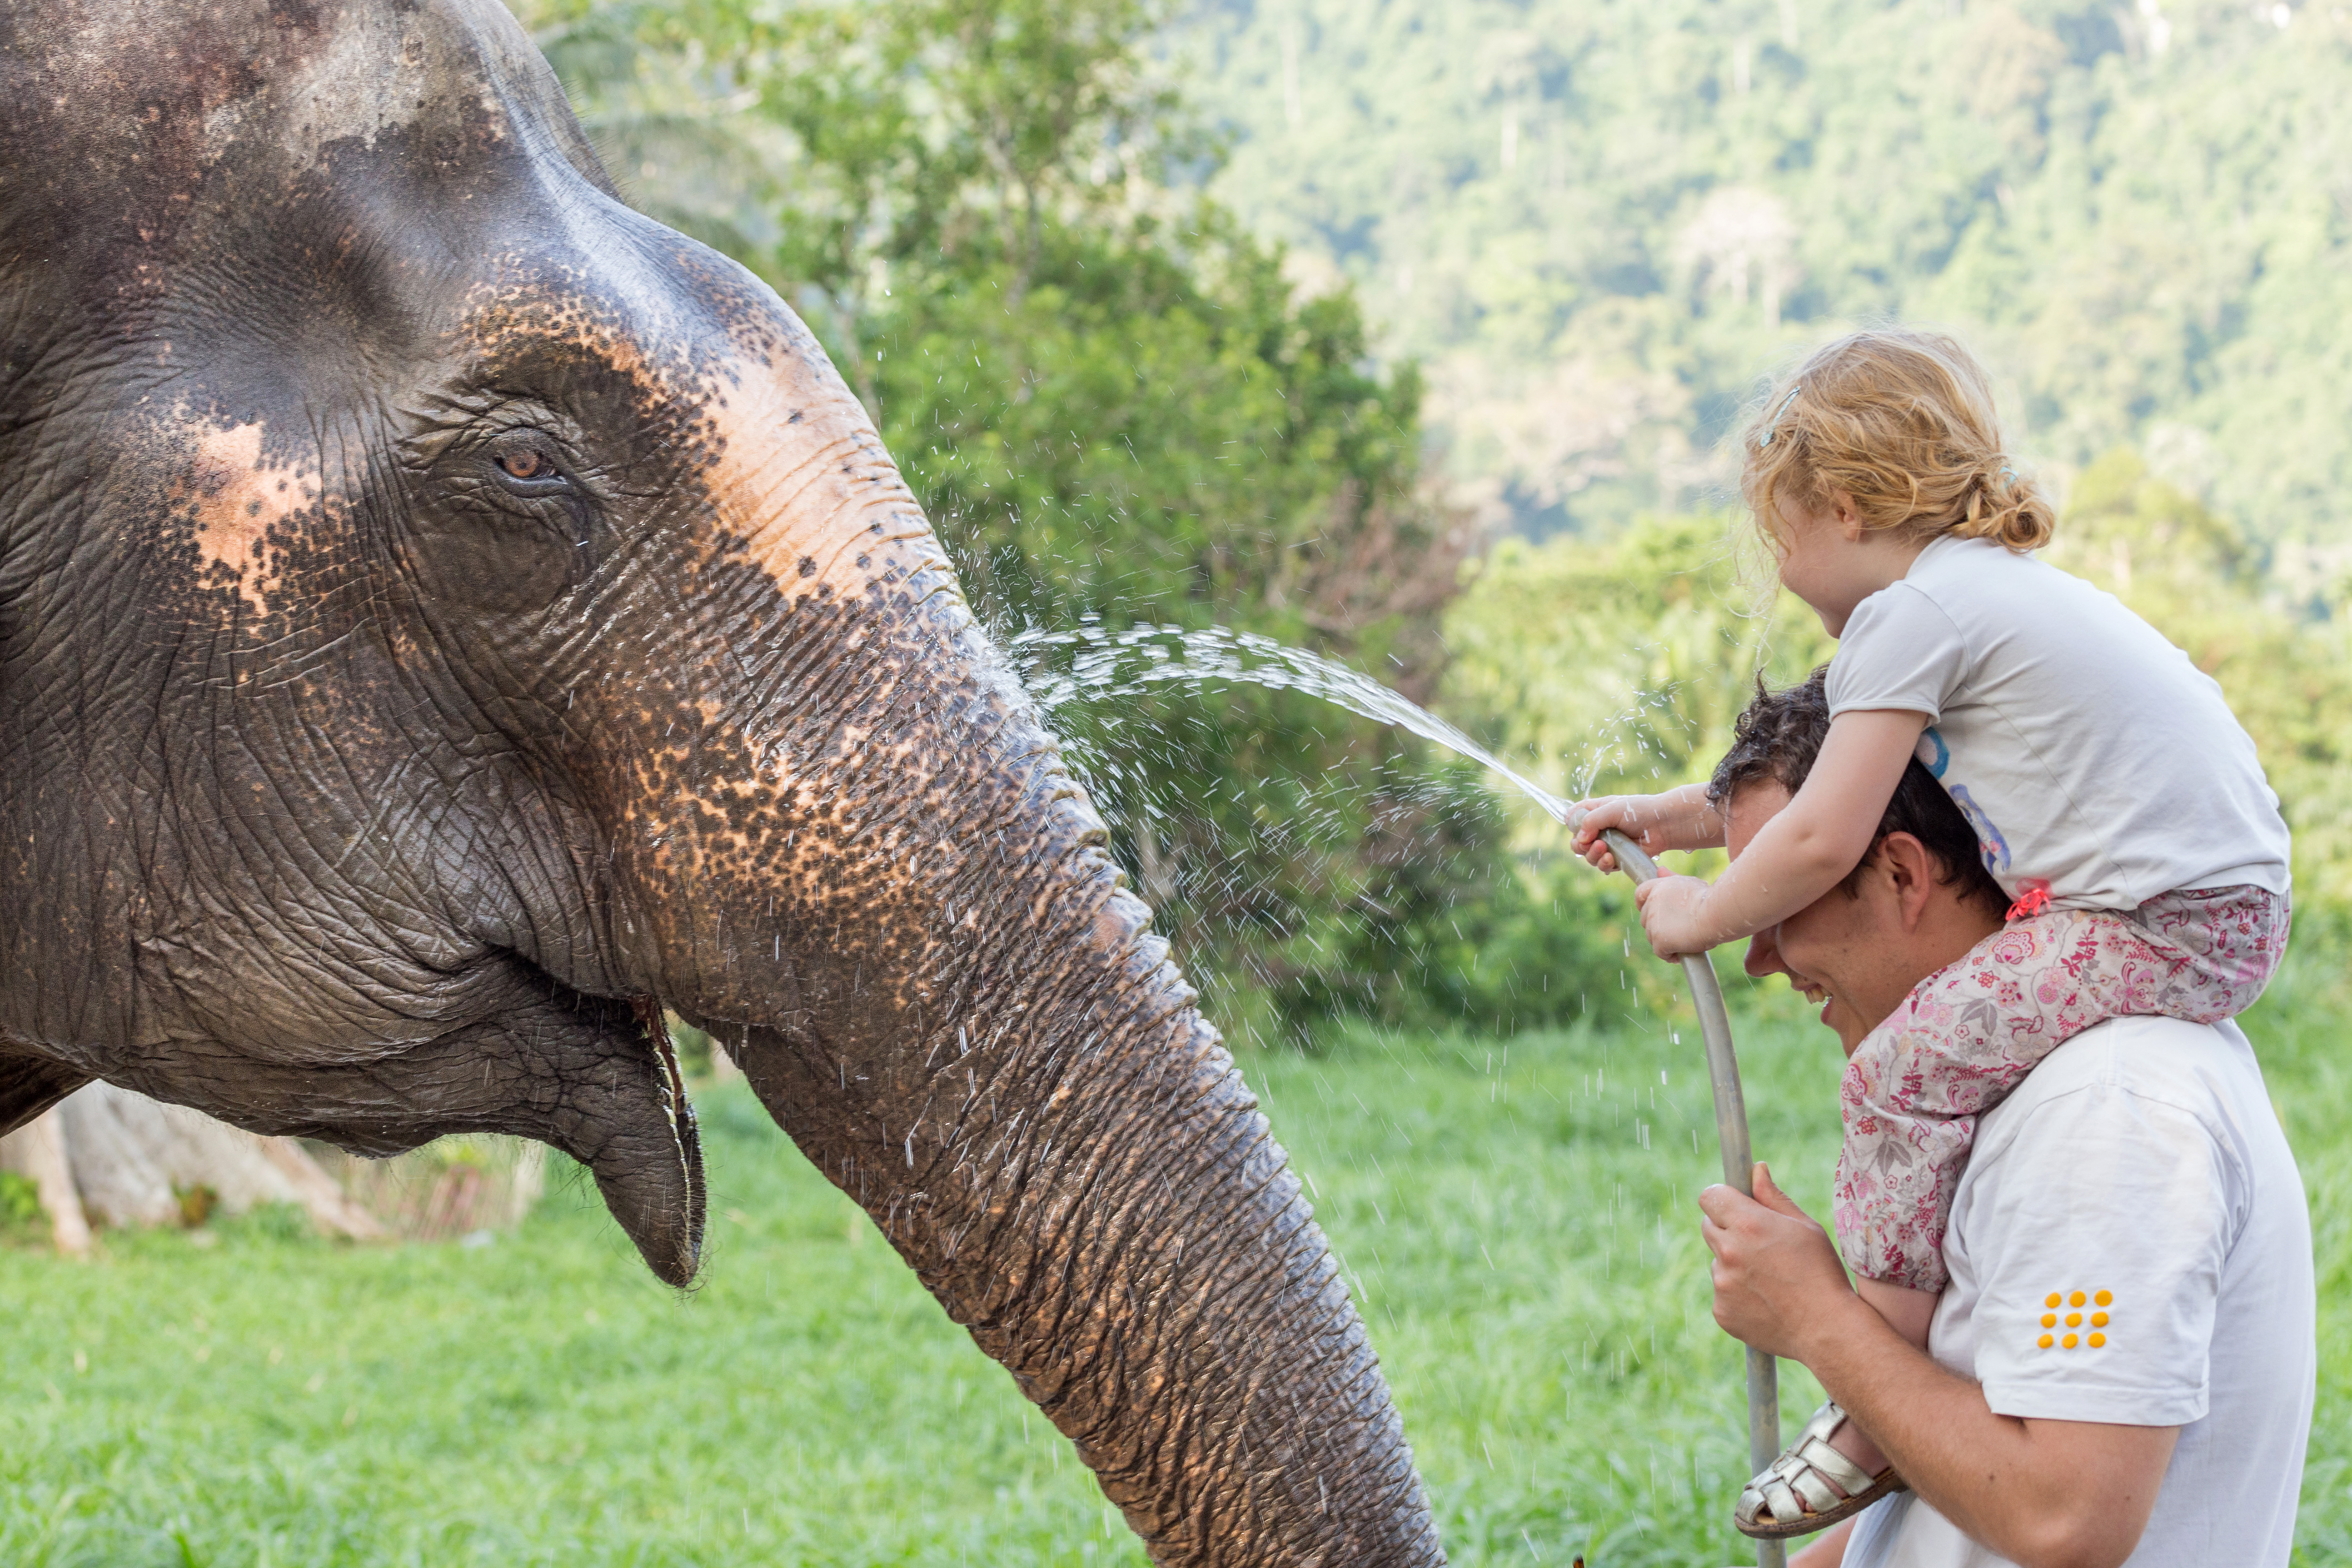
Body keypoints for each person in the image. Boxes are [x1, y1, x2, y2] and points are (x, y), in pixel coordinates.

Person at [1569, 329, 2293, 1535]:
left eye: (1776, 535)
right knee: (1923, 1073)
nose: (1762, 955)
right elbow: (1818, 806)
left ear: (1845, 505)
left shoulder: (2109, 1107)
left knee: (1900, 1074)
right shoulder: (1979, 597)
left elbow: (1818, 835)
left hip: (2161, 919)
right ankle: (1879, 1379)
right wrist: (1669, 818)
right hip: (2206, 907)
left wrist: (1701, 908)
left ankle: (1870, 1385)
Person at [1691, 672, 2313, 1567]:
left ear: (1901, 873)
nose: (1756, 955)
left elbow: (2066, 1516)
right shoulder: (2017, 1084)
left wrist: (1818, 1318)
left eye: (1775, 898)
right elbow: (1947, 1482)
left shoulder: (2105, 1107)